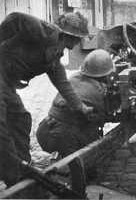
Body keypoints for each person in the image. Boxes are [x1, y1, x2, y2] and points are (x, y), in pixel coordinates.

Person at [0, 11, 94, 187]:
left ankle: (22, 172)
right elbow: (15, 19)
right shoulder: (48, 33)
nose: (79, 42)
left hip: (6, 83)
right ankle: (13, 173)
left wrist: (81, 108)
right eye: (78, 38)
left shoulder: (54, 58)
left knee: (21, 120)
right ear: (70, 36)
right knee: (1, 129)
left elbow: (64, 85)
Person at [36, 49, 115, 158]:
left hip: (44, 131)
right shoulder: (101, 90)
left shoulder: (72, 78)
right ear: (106, 74)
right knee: (92, 172)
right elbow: (107, 115)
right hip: (66, 139)